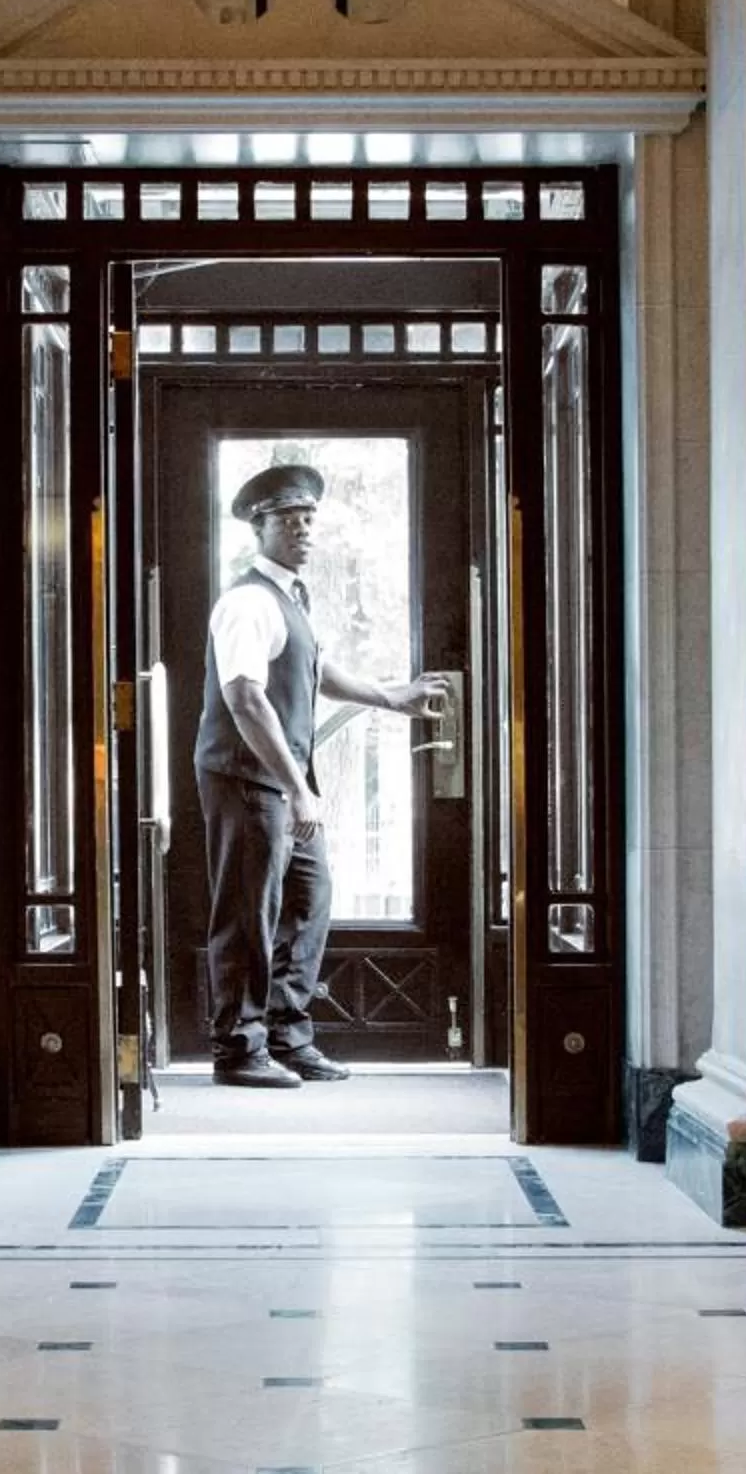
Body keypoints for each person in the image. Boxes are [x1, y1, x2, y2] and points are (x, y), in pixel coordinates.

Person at [195, 462, 451, 1088]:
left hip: (279, 785)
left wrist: (398, 698)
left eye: (308, 519)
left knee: (308, 901)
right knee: (249, 914)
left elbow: (319, 670)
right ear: (259, 527)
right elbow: (246, 699)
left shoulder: (290, 601)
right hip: (247, 780)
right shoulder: (248, 601)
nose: (302, 529)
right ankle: (238, 1048)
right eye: (288, 519)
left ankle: (285, 1035)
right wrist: (297, 786)